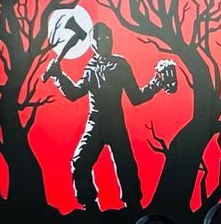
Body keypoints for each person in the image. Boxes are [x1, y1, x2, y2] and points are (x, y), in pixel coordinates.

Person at [45, 23, 176, 212]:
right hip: (95, 123)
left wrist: (157, 83)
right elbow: (74, 93)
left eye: (108, 37)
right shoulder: (90, 67)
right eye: (100, 38)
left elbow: (136, 97)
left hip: (115, 122)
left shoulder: (120, 65)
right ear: (93, 43)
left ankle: (133, 205)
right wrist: (59, 76)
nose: (104, 41)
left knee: (125, 164)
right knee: (80, 162)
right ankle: (89, 205)